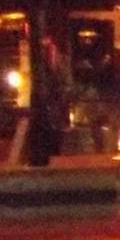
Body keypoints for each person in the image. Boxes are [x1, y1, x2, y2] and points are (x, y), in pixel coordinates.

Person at [26, 39, 71, 167]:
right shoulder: (39, 69)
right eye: (44, 49)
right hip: (44, 116)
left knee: (54, 144)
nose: (48, 52)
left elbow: (64, 87)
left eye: (49, 49)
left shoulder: (60, 66)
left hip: (54, 114)